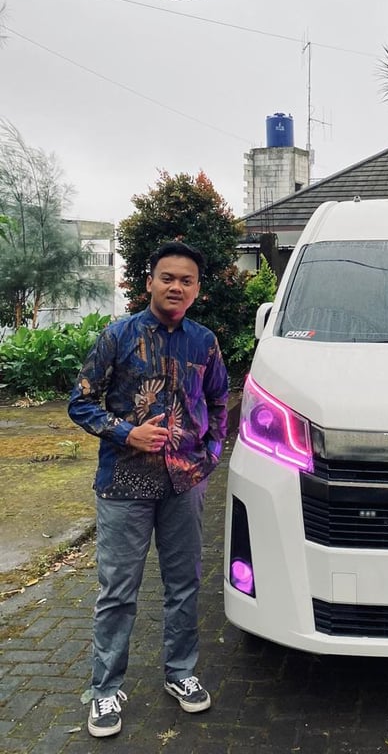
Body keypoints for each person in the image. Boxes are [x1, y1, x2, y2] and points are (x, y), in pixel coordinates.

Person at [69, 240, 229, 738]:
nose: (176, 286)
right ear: (149, 283)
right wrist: (125, 432)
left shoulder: (204, 343)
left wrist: (210, 457)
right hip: (124, 482)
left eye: (186, 280)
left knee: (184, 585)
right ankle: (105, 689)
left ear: (197, 289)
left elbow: (220, 402)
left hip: (185, 483)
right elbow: (81, 402)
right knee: (118, 591)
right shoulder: (118, 336)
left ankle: (180, 673)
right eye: (167, 277)